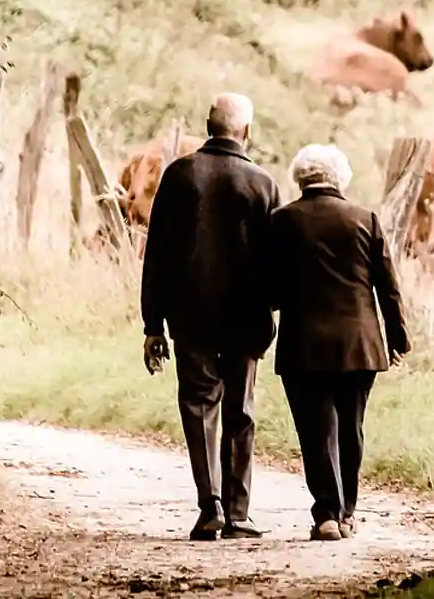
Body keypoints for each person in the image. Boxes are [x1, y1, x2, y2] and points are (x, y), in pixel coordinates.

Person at [139, 92, 282, 541]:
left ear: (208, 124)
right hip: (246, 318)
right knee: (240, 410)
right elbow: (275, 262)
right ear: (247, 132)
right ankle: (239, 514)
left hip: (190, 315)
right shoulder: (262, 184)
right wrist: (272, 308)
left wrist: (152, 324)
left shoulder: (180, 175)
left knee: (199, 407)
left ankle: (211, 506)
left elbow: (156, 255)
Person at [265, 143, 411, 542]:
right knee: (351, 427)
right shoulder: (365, 219)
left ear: (301, 177)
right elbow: (388, 287)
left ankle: (326, 512)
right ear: (340, 178)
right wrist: (397, 337)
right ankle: (347, 512)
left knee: (315, 431)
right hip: (359, 343)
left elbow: (271, 290)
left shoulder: (282, 221)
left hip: (303, 345)